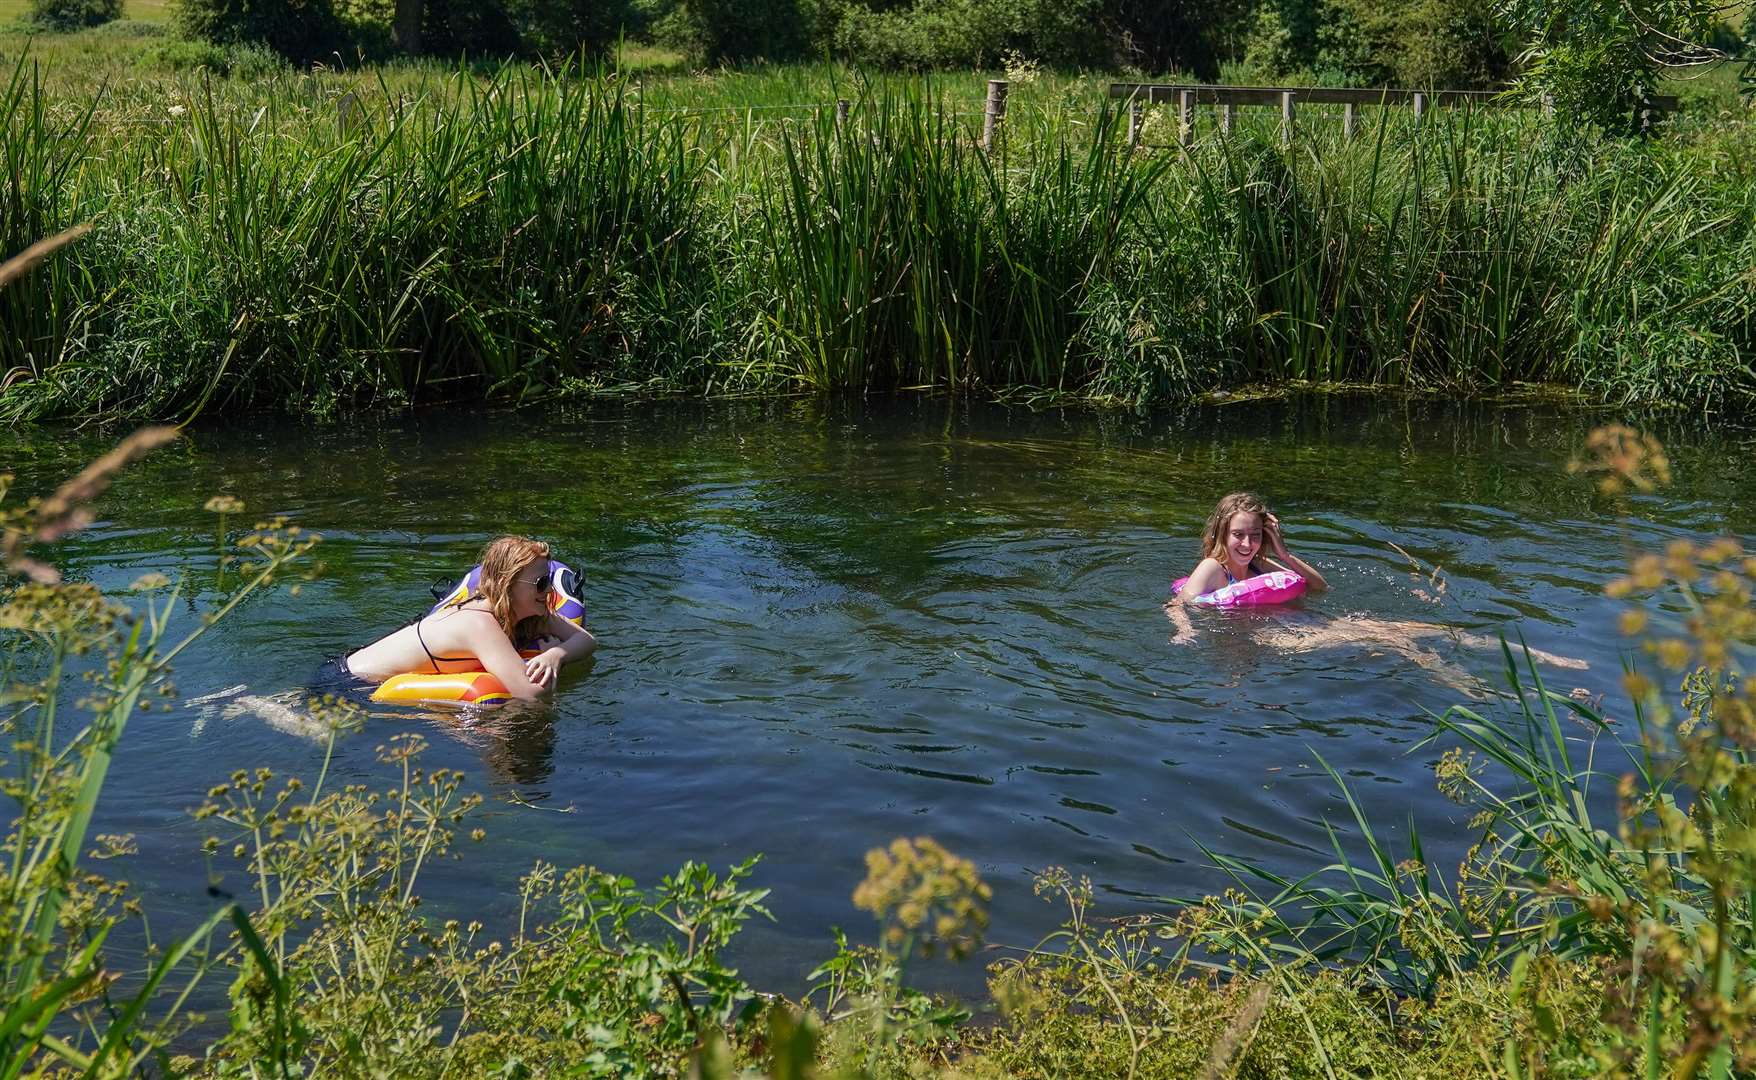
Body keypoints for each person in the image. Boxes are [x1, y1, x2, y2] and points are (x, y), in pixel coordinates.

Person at [340, 536, 597, 701]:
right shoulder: (478, 623)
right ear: (508, 585)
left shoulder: (529, 612)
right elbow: (531, 694)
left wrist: (555, 655)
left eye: (549, 581)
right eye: (541, 583)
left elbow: (586, 641)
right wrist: (554, 658)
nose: (550, 591)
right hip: (349, 686)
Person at [1174, 491, 1329, 603]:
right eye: (1238, 534)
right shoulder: (1213, 568)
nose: (1247, 544)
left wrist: (1285, 555)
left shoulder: (1258, 565)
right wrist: (1185, 631)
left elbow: (1320, 588)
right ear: (1222, 534)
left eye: (1255, 534)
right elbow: (1178, 604)